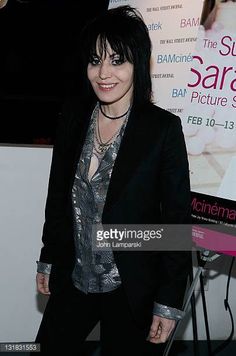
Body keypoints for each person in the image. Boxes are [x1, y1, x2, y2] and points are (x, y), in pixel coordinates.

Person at [33, 5, 192, 356]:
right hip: (74, 274)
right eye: (95, 60)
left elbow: (176, 221)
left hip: (131, 285)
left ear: (138, 63)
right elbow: (58, 195)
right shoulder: (74, 116)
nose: (103, 73)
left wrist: (168, 300)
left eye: (117, 60)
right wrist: (48, 255)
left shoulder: (161, 130)